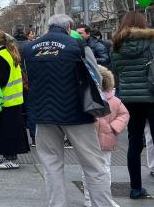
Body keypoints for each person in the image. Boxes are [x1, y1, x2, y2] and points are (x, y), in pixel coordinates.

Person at [23, 14, 114, 207]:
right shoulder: (77, 45)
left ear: (48, 27)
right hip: (77, 113)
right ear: (69, 27)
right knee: (94, 165)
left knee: (51, 165)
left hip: (43, 113)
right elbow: (95, 76)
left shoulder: (29, 48)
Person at [109, 11, 154, 199]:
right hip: (152, 97)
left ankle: (135, 188)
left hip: (129, 99)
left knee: (134, 143)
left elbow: (115, 71)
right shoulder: (151, 42)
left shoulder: (116, 45)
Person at [82, 65, 128, 207]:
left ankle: (94, 198)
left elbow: (124, 114)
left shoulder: (89, 99)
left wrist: (111, 127)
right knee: (103, 170)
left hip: (93, 139)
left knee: (91, 169)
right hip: (102, 139)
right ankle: (95, 198)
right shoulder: (114, 100)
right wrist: (112, 128)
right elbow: (124, 114)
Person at [0, 30, 30, 169]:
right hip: (14, 99)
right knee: (10, 130)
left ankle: (11, 159)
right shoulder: (8, 53)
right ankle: (7, 156)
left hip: (5, 100)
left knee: (7, 131)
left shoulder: (0, 56)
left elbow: (2, 80)